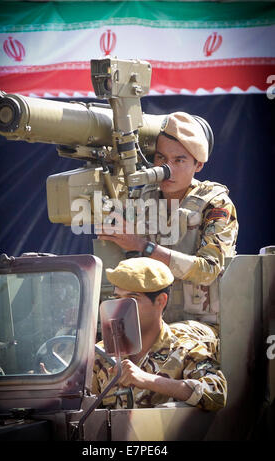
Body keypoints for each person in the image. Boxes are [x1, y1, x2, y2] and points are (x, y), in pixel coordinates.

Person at [97, 112, 239, 325]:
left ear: (198, 164)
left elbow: (209, 270)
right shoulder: (142, 198)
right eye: (161, 158)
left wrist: (142, 245)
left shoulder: (215, 204)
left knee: (168, 354)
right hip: (149, 324)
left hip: (201, 327)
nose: (166, 169)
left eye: (179, 160)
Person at [92, 258, 227, 411]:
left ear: (160, 301)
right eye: (117, 298)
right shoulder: (100, 354)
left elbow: (216, 394)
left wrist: (148, 380)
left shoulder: (185, 348)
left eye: (132, 300)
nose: (120, 308)